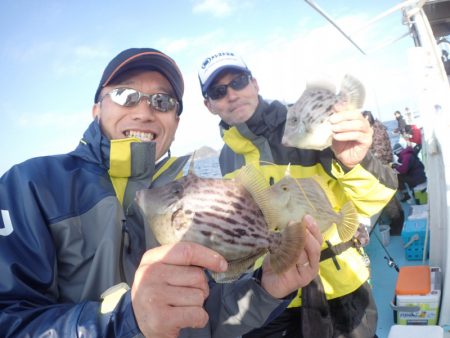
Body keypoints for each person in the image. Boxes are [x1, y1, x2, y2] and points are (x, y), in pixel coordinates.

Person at [0, 48, 323, 338]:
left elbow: (205, 320)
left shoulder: (192, 193)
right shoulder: (31, 184)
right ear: (97, 108)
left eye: (162, 101)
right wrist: (125, 321)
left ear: (176, 120)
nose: (144, 111)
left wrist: (265, 291)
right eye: (125, 94)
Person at [198, 51, 398, 338]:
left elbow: (374, 199)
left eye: (238, 81)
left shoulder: (309, 127)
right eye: (218, 91)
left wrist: (355, 163)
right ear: (209, 105)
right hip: (272, 297)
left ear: (254, 84)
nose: (231, 94)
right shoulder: (226, 158)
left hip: (340, 288)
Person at [362, 110, 404, 234]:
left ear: (368, 120)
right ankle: (400, 215)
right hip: (386, 165)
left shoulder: (374, 131)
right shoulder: (378, 127)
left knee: (385, 197)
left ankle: (397, 224)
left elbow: (378, 153)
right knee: (391, 193)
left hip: (381, 167)